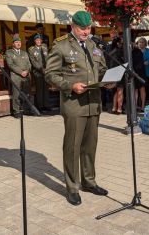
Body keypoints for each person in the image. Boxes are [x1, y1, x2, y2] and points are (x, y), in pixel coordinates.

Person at [45, 11, 111, 206]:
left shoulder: (94, 45)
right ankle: (72, 187)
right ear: (73, 26)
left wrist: (109, 80)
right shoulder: (61, 45)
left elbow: (101, 69)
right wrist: (69, 85)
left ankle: (89, 181)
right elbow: (50, 74)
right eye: (82, 28)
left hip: (93, 103)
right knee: (73, 146)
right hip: (74, 103)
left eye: (89, 27)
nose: (86, 31)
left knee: (90, 146)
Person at [5, 36, 32, 118]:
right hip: (16, 76)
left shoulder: (24, 53)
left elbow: (29, 64)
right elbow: (11, 65)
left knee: (26, 93)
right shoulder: (9, 53)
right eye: (16, 42)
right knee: (16, 94)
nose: (18, 43)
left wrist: (27, 71)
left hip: (26, 76)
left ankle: (26, 109)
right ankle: (16, 111)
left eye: (19, 42)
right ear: (13, 44)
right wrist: (21, 72)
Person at [28, 34, 50, 112]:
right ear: (35, 41)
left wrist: (47, 68)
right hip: (38, 72)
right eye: (37, 40)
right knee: (40, 89)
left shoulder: (44, 48)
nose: (39, 41)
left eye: (40, 40)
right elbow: (33, 62)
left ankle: (46, 105)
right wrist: (41, 69)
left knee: (46, 89)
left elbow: (48, 59)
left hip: (46, 71)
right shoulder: (31, 50)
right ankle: (40, 106)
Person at [109, 36, 125, 114]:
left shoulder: (111, 51)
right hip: (120, 72)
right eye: (121, 42)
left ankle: (114, 108)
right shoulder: (121, 51)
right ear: (118, 43)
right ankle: (119, 109)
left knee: (115, 91)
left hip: (112, 73)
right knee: (120, 91)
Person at [134, 38, 146, 112]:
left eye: (142, 42)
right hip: (135, 72)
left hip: (141, 72)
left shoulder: (139, 52)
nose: (140, 43)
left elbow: (141, 63)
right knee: (135, 90)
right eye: (139, 42)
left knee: (142, 89)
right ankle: (135, 106)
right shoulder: (132, 51)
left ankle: (142, 106)